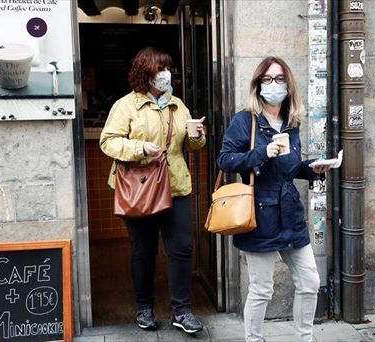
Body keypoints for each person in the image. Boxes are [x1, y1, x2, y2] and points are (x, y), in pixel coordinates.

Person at [217, 56, 331, 342]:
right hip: (259, 213)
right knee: (262, 288)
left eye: (279, 79)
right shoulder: (245, 120)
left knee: (309, 282)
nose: (273, 85)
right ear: (258, 85)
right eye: (267, 79)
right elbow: (226, 159)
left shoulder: (291, 123)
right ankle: (254, 340)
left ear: (288, 84)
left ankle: (304, 339)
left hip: (290, 212)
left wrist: (312, 168)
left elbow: (289, 167)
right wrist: (260, 154)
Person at [100, 47, 206, 333]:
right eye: (159, 70)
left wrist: (197, 135)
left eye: (168, 69)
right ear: (144, 74)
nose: (165, 75)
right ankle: (144, 308)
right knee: (143, 251)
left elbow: (190, 146)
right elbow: (108, 142)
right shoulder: (126, 106)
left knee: (182, 249)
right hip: (140, 187)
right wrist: (140, 148)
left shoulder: (177, 105)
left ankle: (182, 311)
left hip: (176, 186)